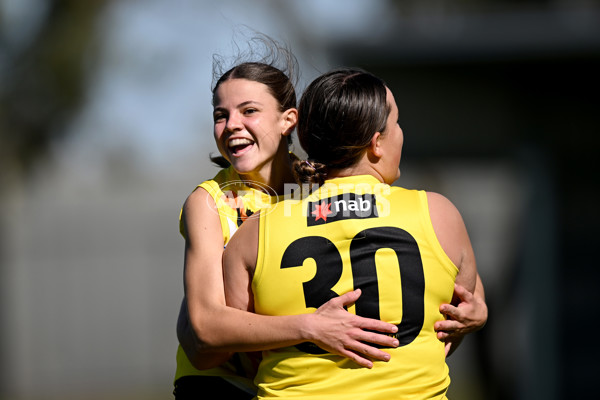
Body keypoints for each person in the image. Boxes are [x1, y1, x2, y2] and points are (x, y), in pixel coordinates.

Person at [222, 67, 480, 399]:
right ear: (376, 143)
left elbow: (244, 352)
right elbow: (456, 320)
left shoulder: (254, 232)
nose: (401, 133)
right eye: (396, 124)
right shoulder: (440, 214)